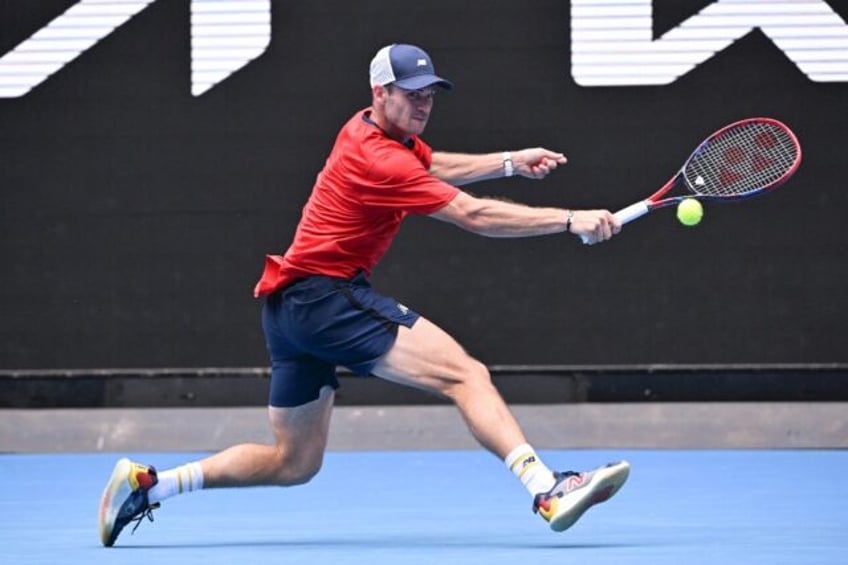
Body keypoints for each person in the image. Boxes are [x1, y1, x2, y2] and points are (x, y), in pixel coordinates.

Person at [98, 43, 629, 547]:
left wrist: (510, 161)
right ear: (381, 92)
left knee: (294, 462)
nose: (423, 103)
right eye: (412, 92)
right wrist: (569, 219)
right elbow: (475, 214)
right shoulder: (381, 161)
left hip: (288, 309)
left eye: (429, 93)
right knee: (465, 375)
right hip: (326, 297)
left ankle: (151, 485)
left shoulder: (365, 130)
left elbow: (430, 163)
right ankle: (546, 489)